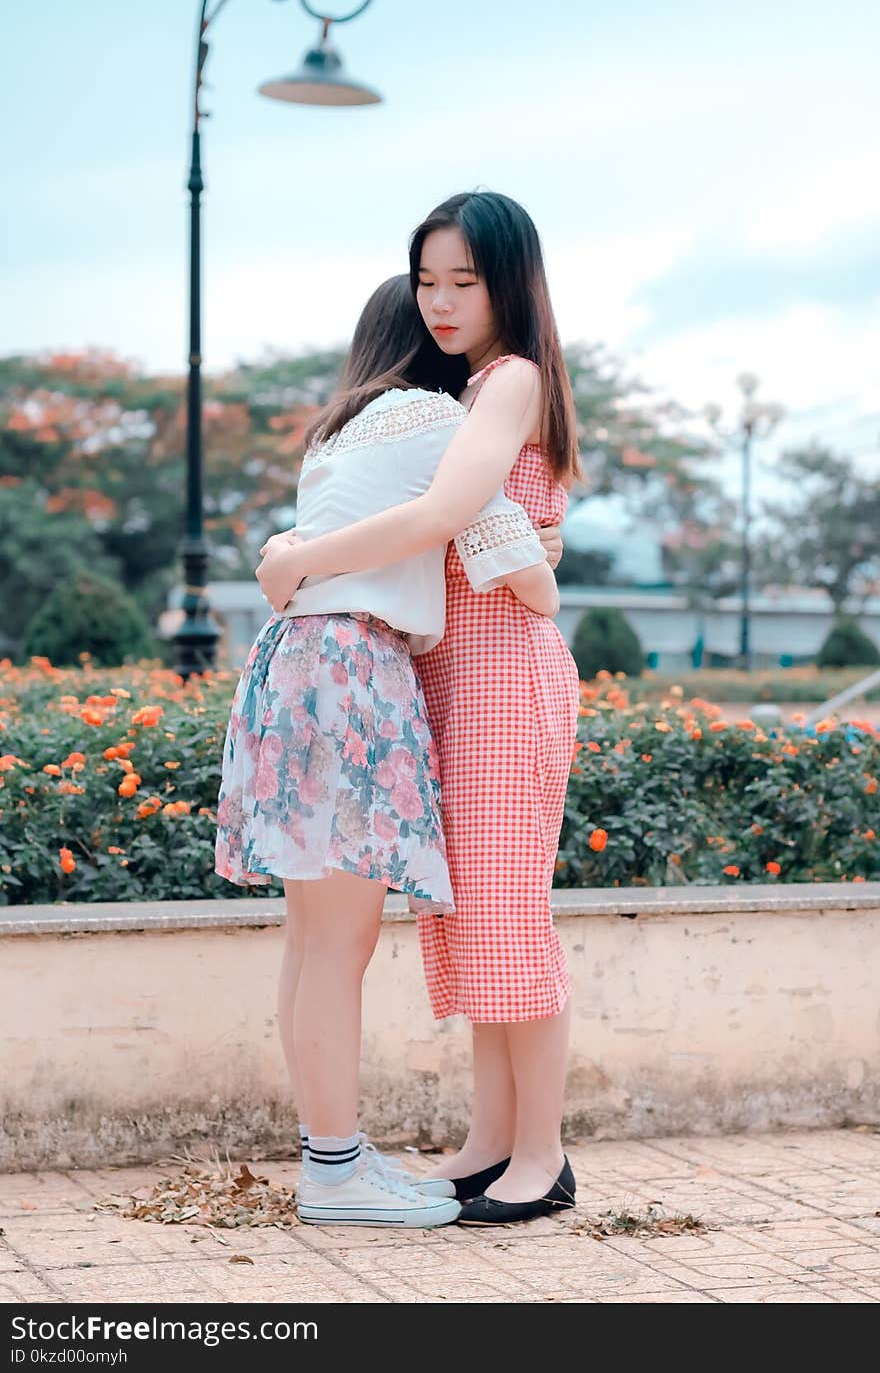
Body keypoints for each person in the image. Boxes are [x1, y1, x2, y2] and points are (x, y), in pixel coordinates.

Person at [256, 191, 583, 1225]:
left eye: (464, 281)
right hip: (451, 674)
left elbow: (450, 516)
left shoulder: (514, 379)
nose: (439, 302)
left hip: (502, 675)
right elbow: (466, 532)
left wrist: (301, 558)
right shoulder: (466, 392)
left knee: (509, 916)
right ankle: (489, 1141)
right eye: (427, 280)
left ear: (510, 283)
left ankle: (542, 1154)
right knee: (470, 921)